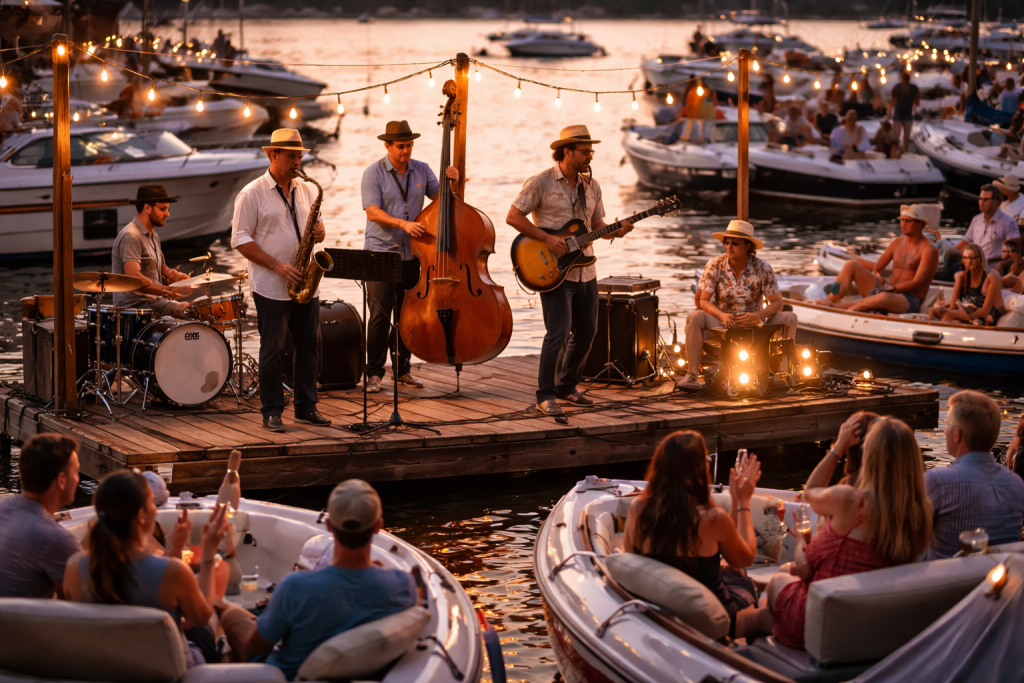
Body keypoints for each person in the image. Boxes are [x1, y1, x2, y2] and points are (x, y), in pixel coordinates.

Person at [757, 416, 932, 648]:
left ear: (871, 456)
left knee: (775, 583)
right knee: (778, 585)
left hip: (826, 623)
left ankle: (735, 650)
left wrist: (839, 446)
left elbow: (811, 491)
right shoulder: (921, 511)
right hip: (873, 623)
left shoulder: (852, 501)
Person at [219, 479, 420, 680]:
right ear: (378, 527)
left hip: (283, 674)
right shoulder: (403, 585)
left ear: (328, 526)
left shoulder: (295, 586)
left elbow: (257, 647)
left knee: (229, 614)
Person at [507, 125, 634, 416]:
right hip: (553, 270)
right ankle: (545, 394)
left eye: (591, 151)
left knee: (588, 330)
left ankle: (567, 385)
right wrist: (547, 238)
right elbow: (513, 216)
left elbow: (598, 225)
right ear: (568, 152)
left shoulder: (593, 185)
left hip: (585, 269)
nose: (591, 155)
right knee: (559, 331)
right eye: (585, 151)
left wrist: (618, 231)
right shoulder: (541, 182)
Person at [63, 470, 230, 666]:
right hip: (167, 670)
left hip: (103, 667)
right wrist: (209, 553)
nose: (155, 509)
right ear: (141, 515)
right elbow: (201, 616)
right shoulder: (174, 571)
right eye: (152, 503)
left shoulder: (75, 567)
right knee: (213, 621)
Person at [232, 129, 332, 432]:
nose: (297, 161)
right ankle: (272, 410)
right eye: (291, 156)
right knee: (273, 349)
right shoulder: (251, 193)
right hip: (271, 286)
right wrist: (277, 266)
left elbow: (317, 224)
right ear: (272, 155)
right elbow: (239, 240)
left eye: (299, 155)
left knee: (309, 346)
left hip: (305, 281)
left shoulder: (306, 189)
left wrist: (320, 232)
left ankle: (305, 407)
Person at [623, 431, 761, 635]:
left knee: (728, 567)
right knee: (739, 575)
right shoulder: (711, 518)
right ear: (699, 469)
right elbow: (745, 559)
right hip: (712, 613)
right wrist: (742, 501)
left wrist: (734, 497)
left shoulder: (638, 509)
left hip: (660, 608)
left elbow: (631, 556)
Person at [360, 121, 458, 394]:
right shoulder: (373, 173)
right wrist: (402, 224)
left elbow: (442, 202)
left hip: (413, 255)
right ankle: (374, 374)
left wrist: (453, 183)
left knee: (408, 316)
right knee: (380, 317)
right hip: (380, 252)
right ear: (387, 146)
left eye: (410, 145)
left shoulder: (423, 169)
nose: (406, 150)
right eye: (401, 146)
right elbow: (372, 212)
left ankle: (403, 371)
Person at [679, 221, 797, 385]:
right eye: (726, 243)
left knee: (790, 317)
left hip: (755, 328)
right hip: (722, 325)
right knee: (694, 316)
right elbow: (703, 300)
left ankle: (784, 374)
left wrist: (759, 315)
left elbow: (778, 303)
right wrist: (722, 315)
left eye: (735, 243)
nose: (729, 247)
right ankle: (692, 375)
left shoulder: (763, 268)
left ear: (748, 245)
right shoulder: (714, 265)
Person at [926, 390, 1024, 559]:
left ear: (957, 435)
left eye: (948, 425)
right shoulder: (1016, 484)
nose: (944, 432)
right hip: (1002, 580)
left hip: (944, 582)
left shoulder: (937, 482)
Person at [0, 434, 81, 598]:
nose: (78, 479)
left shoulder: (3, 508)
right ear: (62, 480)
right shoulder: (57, 540)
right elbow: (80, 610)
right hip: (19, 623)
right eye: (76, 472)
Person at [822, 204, 938, 314]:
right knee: (850, 265)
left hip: (910, 298)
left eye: (908, 221)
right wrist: (877, 275)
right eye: (902, 220)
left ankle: (838, 309)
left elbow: (917, 282)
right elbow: (878, 266)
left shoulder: (929, 250)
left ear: (919, 224)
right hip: (886, 289)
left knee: (883, 296)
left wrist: (892, 289)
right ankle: (830, 300)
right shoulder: (897, 243)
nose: (903, 224)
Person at [112, 185, 194, 317]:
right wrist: (169, 291)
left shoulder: (153, 236)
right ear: (147, 208)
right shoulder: (131, 236)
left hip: (154, 302)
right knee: (189, 310)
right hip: (133, 308)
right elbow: (135, 278)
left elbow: (164, 270)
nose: (167, 214)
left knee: (196, 307)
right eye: (163, 209)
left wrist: (179, 278)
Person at [929, 244, 1005, 325]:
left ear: (980, 259)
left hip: (987, 316)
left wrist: (963, 315)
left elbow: (984, 312)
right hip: (967, 311)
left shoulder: (992, 276)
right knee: (933, 311)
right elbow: (953, 306)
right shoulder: (962, 276)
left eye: (972, 258)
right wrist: (946, 308)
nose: (966, 261)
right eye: (965, 258)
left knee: (949, 315)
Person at [955, 184, 1020, 263]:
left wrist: (999, 267)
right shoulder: (976, 219)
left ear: (997, 202)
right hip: (973, 263)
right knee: (945, 248)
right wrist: (951, 250)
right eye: (980, 199)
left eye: (985, 199)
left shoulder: (1008, 222)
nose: (981, 202)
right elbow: (965, 243)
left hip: (993, 264)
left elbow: (1014, 254)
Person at [888, 70, 920, 153]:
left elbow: (893, 101)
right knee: (906, 136)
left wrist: (889, 112)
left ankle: (895, 151)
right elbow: (917, 102)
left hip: (899, 113)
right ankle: (903, 151)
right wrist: (915, 111)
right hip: (907, 114)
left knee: (897, 135)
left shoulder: (898, 87)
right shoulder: (913, 88)